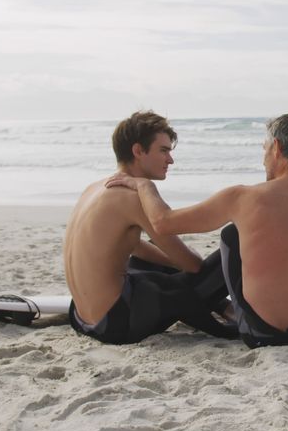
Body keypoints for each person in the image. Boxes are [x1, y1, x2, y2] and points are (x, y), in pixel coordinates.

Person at [106, 113, 288, 351]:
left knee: (232, 235)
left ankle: (235, 311)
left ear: (276, 148)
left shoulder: (241, 198)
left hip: (259, 335)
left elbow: (163, 222)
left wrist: (144, 186)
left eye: (264, 149)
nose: (264, 159)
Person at [63, 110, 237, 344]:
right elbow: (194, 266)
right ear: (138, 151)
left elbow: (131, 245)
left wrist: (172, 264)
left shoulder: (95, 188)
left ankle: (223, 307)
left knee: (155, 252)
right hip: (116, 323)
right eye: (163, 150)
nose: (170, 160)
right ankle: (232, 311)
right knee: (236, 242)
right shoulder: (133, 197)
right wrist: (147, 188)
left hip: (81, 317)